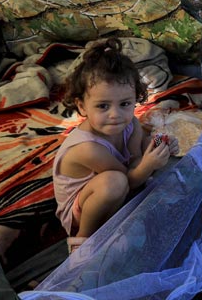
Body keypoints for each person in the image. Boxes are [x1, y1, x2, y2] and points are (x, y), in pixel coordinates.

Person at [53, 37, 179, 252]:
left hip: (117, 190)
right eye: (102, 106)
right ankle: (82, 242)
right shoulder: (88, 148)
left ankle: (117, 221)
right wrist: (149, 164)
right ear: (82, 106)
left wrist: (159, 148)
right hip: (83, 210)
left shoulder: (130, 125)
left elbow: (135, 158)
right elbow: (128, 181)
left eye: (125, 104)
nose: (116, 115)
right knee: (115, 182)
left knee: (151, 148)